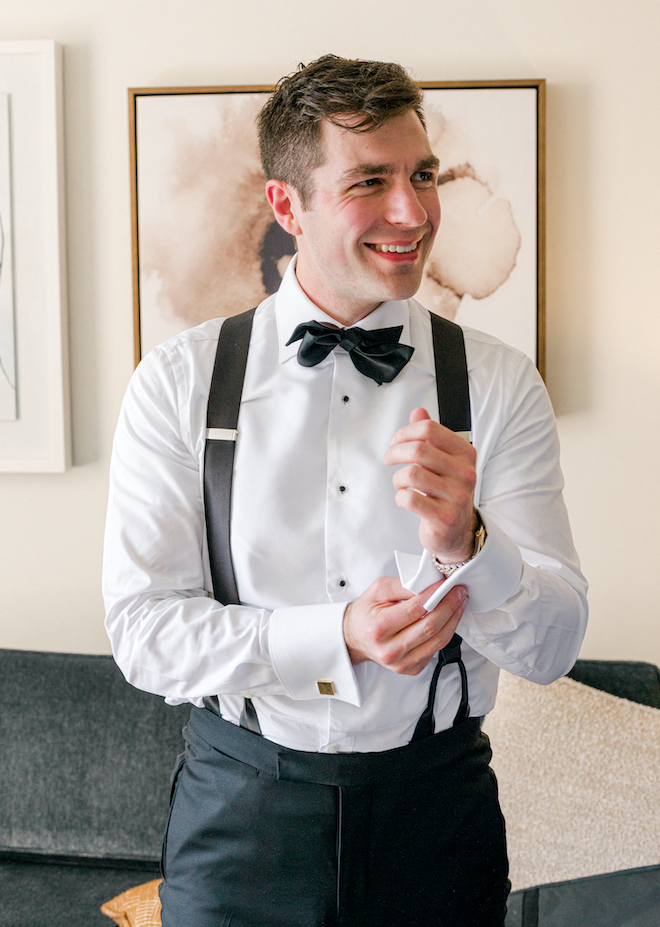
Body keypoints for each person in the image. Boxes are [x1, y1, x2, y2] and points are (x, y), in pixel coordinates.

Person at [103, 55, 588, 927]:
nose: (414, 212)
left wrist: (468, 545)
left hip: (436, 815)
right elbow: (143, 634)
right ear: (287, 207)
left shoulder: (499, 384)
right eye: (371, 180)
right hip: (240, 814)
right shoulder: (177, 384)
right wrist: (338, 636)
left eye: (423, 175)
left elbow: (552, 647)